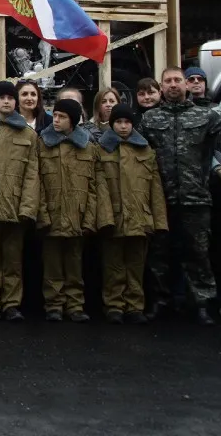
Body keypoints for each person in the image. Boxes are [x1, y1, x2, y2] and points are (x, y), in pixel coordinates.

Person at [141, 67, 221, 325]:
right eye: (168, 81)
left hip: (195, 197)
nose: (173, 85)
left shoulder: (207, 117)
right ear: (161, 87)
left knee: (198, 253)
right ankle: (161, 301)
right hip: (160, 198)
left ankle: (203, 304)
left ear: (186, 85)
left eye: (178, 80)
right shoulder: (150, 119)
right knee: (159, 255)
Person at [37, 98, 113, 322]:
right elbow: (37, 182)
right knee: (52, 266)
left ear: (73, 120)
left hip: (77, 216)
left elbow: (94, 186)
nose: (56, 120)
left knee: (74, 264)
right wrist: (42, 213)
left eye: (62, 117)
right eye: (55, 115)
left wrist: (89, 218)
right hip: (52, 214)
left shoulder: (89, 147)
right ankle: (54, 304)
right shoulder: (43, 143)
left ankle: (75, 305)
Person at [0, 81, 39, 322]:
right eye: (1, 97)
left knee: (13, 259)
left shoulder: (29, 135)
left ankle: (11, 303)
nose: (6, 101)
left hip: (15, 207)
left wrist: (28, 207)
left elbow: (33, 174)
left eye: (10, 98)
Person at [97, 104, 168, 325]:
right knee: (113, 265)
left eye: (127, 122)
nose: (123, 126)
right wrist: (105, 218)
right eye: (119, 122)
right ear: (112, 124)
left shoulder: (146, 151)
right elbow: (99, 188)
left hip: (140, 216)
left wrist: (159, 221)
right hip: (115, 217)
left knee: (136, 265)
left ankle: (135, 305)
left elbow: (155, 189)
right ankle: (114, 305)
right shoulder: (102, 150)